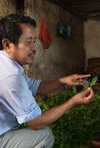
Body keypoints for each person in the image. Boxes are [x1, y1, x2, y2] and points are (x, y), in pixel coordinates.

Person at [0, 14, 94, 148]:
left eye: (34, 41)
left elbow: (36, 87)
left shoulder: (5, 63)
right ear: (7, 44)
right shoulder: (10, 76)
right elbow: (36, 122)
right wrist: (73, 101)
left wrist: (63, 81)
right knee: (44, 135)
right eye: (28, 42)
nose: (35, 47)